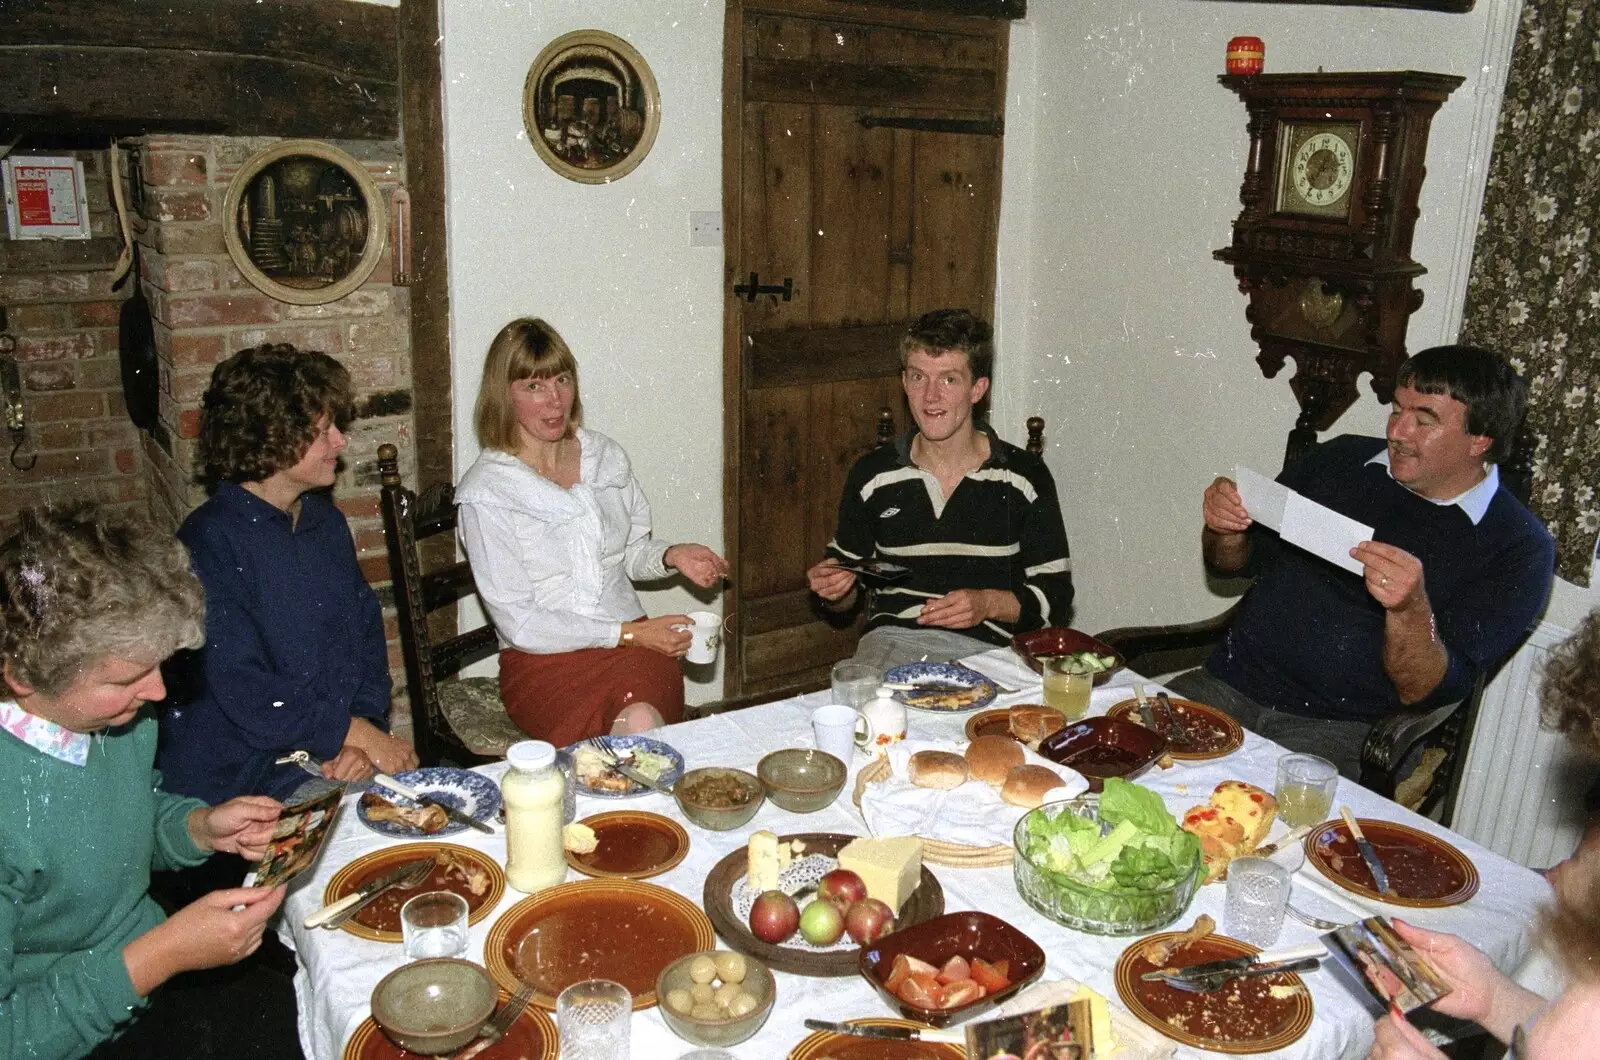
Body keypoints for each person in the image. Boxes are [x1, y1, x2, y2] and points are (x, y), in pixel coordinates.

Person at [1168, 345, 1556, 778]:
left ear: (1480, 440)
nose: (1398, 431)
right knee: (1108, 750)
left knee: (1247, 827)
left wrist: (1409, 609)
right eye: (1396, 410)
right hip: (1227, 685)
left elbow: (1425, 691)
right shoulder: (1341, 459)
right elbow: (1232, 565)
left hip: (1344, 732)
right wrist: (1225, 529)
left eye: (1424, 420)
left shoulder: (1519, 546)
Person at [0, 504, 294, 1060]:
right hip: (73, 1032)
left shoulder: (112, 721)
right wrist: (162, 955)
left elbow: (123, 818)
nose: (159, 693)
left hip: (145, 975)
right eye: (127, 678)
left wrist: (200, 827)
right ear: (23, 678)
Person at [158, 344, 417, 816]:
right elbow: (245, 690)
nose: (340, 442)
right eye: (323, 432)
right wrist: (346, 733)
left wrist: (361, 728)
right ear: (269, 439)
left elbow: (364, 637)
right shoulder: (207, 543)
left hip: (328, 753)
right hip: (246, 776)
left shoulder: (324, 523)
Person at [455, 317, 728, 745]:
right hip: (545, 661)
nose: (555, 401)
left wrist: (673, 555)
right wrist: (629, 634)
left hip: (632, 646)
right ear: (503, 396)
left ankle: (631, 803)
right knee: (638, 729)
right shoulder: (488, 491)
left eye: (562, 380)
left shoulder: (604, 457)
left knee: (640, 714)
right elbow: (521, 623)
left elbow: (629, 553)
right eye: (533, 386)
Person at [805, 308, 1074, 671]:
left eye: (948, 380)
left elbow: (1055, 599)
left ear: (977, 388)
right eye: (918, 377)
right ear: (904, 382)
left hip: (992, 652)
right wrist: (836, 588)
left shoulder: (1023, 477)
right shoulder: (873, 475)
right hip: (892, 646)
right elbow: (847, 595)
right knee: (857, 712)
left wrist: (987, 604)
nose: (930, 397)